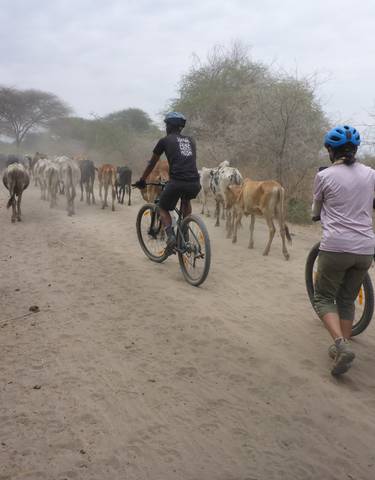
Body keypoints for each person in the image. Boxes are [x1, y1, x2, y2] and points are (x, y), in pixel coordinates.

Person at [312, 125, 375, 376]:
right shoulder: (371, 173)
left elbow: (316, 211)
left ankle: (340, 344)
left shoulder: (325, 176)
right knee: (347, 299)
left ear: (330, 150)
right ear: (356, 149)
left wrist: (317, 215)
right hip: (365, 248)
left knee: (324, 298)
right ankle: (343, 346)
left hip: (336, 246)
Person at [134, 112, 201, 251]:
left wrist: (142, 180)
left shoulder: (164, 141)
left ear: (169, 126)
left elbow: (152, 163)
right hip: (194, 182)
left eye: (166, 125)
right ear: (181, 127)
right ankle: (185, 231)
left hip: (177, 182)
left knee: (162, 207)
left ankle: (170, 237)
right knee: (186, 200)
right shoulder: (191, 141)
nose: (166, 127)